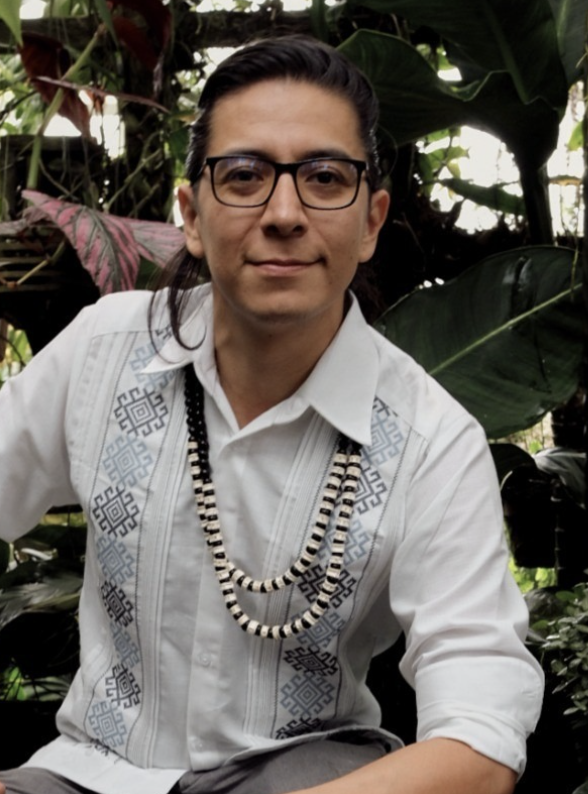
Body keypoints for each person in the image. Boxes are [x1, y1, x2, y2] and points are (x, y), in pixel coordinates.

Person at [0, 35, 543, 794]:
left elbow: (481, 744)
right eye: (245, 175)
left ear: (371, 221)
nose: (284, 213)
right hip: (90, 773)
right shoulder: (103, 354)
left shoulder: (430, 440)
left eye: (324, 178)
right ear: (192, 215)